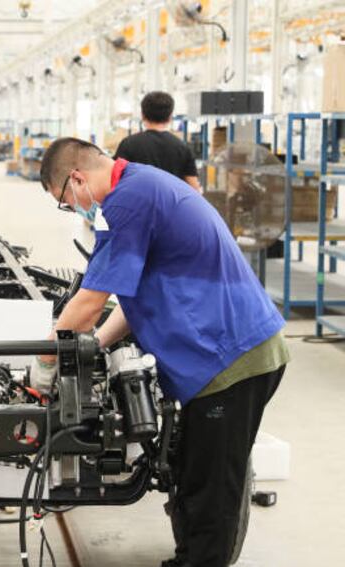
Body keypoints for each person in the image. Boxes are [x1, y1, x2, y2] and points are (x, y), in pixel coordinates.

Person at [30, 137, 288, 567]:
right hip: (221, 353)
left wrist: (45, 360)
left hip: (232, 357)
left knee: (212, 485)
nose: (74, 208)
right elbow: (130, 301)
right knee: (191, 470)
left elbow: (92, 301)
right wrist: (94, 346)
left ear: (76, 178)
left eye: (66, 200)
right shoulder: (139, 186)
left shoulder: (127, 202)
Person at [114, 91, 202, 192]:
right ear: (170, 117)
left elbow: (113, 180)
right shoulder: (182, 148)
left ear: (143, 115)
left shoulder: (128, 144)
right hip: (171, 206)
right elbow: (194, 189)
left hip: (137, 205)